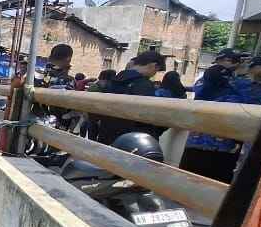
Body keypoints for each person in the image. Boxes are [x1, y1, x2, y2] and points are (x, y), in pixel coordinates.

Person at [180, 49, 246, 183]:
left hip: (202, 142)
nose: (238, 64)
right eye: (234, 60)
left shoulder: (204, 82)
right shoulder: (233, 88)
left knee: (190, 181)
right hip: (219, 145)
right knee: (210, 183)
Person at [96, 51, 167, 144]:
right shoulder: (143, 85)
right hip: (132, 142)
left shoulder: (112, 82)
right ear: (154, 65)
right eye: (156, 70)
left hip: (107, 137)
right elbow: (149, 115)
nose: (154, 74)